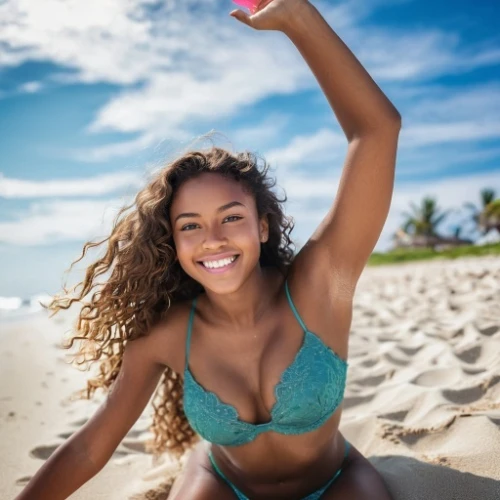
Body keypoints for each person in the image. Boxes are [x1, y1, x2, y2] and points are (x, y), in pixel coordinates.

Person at [17, 0, 401, 498]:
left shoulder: (319, 287)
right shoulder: (166, 336)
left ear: (263, 227)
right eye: (190, 225)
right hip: (222, 484)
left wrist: (299, 19)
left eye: (232, 217)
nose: (213, 238)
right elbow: (92, 448)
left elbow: (376, 131)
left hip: (333, 481)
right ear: (171, 243)